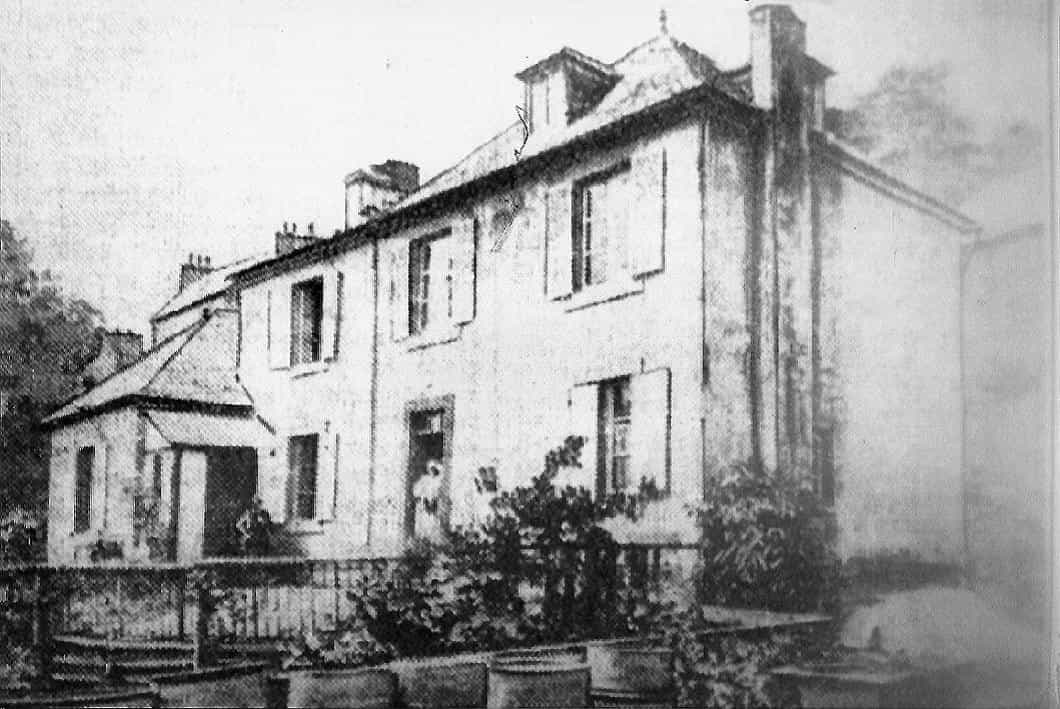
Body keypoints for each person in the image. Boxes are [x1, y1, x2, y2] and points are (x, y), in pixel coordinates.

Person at [412, 459, 445, 542]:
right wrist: (424, 498)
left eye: (434, 469)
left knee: (434, 522)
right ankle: (423, 539)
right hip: (425, 504)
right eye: (431, 469)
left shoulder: (439, 480)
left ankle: (433, 540)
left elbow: (440, 492)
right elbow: (416, 491)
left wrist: (435, 499)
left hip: (435, 504)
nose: (432, 471)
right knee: (425, 521)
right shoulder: (424, 479)